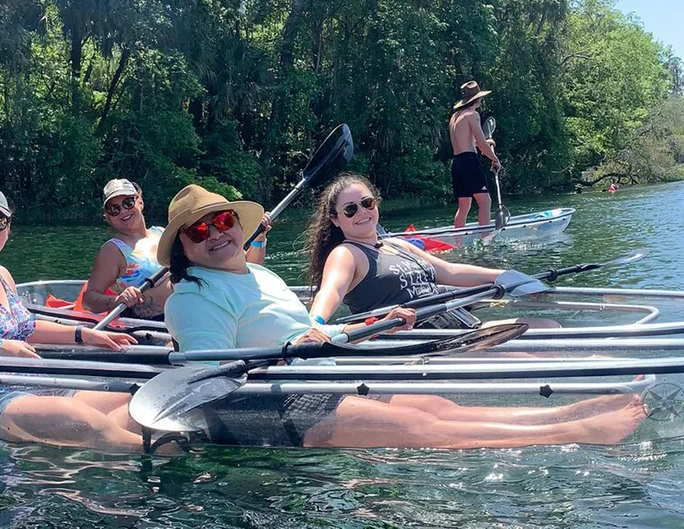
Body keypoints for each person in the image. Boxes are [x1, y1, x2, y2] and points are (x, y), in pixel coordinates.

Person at [160, 184, 645, 449]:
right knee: (420, 430)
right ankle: (569, 433)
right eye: (198, 230)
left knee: (438, 409)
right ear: (183, 247)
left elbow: (313, 329)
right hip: (270, 404)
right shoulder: (192, 294)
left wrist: (359, 327)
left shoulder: (259, 277)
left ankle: (563, 412)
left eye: (222, 221)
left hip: (320, 376)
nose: (215, 234)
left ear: (237, 226)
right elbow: (210, 371)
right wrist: (290, 353)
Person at [0, 186, 143, 450]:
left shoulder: (1, 274)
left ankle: (99, 460)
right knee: (79, 419)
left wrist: (84, 334)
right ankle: (160, 456)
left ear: (8, 228)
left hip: (23, 387)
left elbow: (25, 328)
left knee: (127, 398)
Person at [305, 174, 560, 330]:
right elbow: (331, 291)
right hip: (420, 339)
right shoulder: (347, 254)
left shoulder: (398, 245)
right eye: (350, 209)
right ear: (336, 220)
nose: (362, 212)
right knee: (538, 349)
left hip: (456, 323)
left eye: (367, 203)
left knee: (550, 328)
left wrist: (506, 276)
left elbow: (450, 271)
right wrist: (313, 325)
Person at [82, 178, 270, 320]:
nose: (123, 211)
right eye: (114, 209)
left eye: (128, 203)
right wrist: (117, 301)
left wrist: (258, 238)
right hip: (154, 323)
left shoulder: (164, 234)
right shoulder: (113, 250)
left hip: (201, 308)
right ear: (108, 217)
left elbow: (247, 265)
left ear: (140, 202)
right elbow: (89, 299)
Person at [450, 81, 501, 228]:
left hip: (457, 163)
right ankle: (486, 239)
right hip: (469, 161)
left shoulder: (455, 117)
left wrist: (487, 141)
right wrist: (495, 159)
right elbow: (479, 142)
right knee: (485, 202)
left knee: (464, 205)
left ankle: (458, 241)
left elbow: (470, 141)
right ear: (476, 99)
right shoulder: (473, 115)